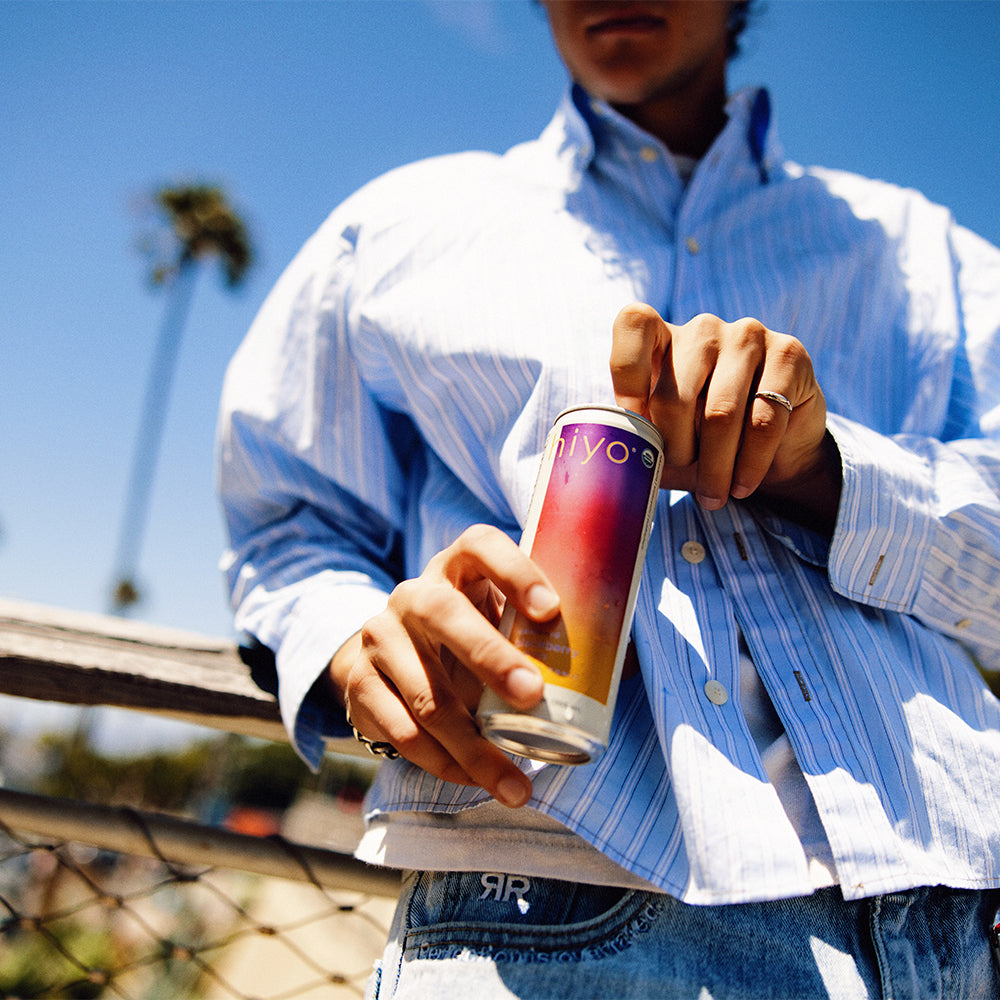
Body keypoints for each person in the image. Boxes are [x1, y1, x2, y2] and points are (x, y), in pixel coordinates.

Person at [216, 2, 1000, 996]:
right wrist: (348, 634)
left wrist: (822, 467)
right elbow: (287, 526)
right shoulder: (399, 229)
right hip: (543, 894)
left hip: (948, 924)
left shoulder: (925, 258)